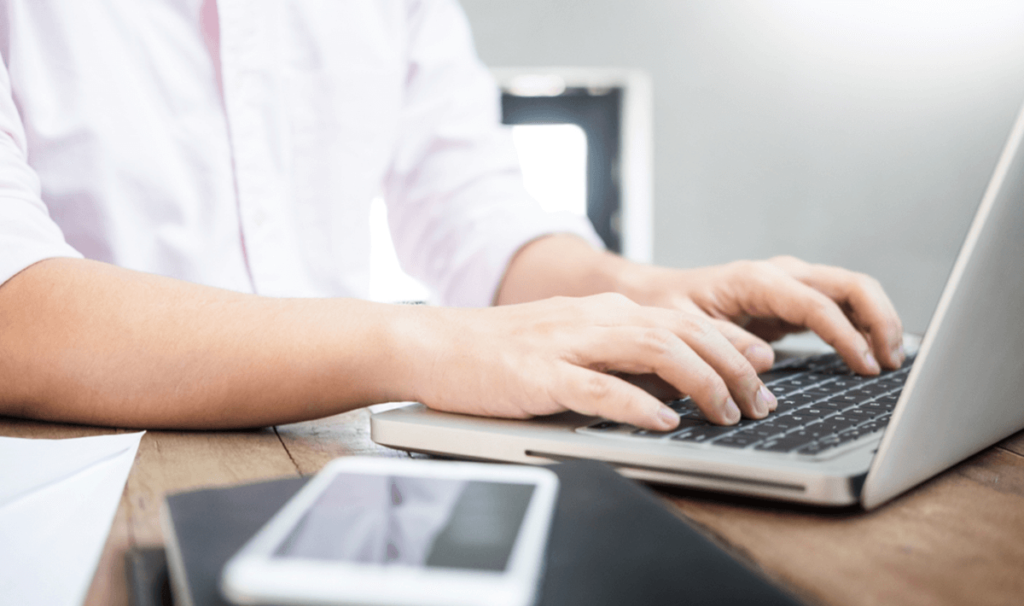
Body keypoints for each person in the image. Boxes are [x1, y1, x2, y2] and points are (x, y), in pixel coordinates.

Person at [0, 0, 903, 434]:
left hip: (328, 459)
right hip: (80, 488)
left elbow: (471, 210)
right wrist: (426, 344)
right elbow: (14, 312)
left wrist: (648, 294)